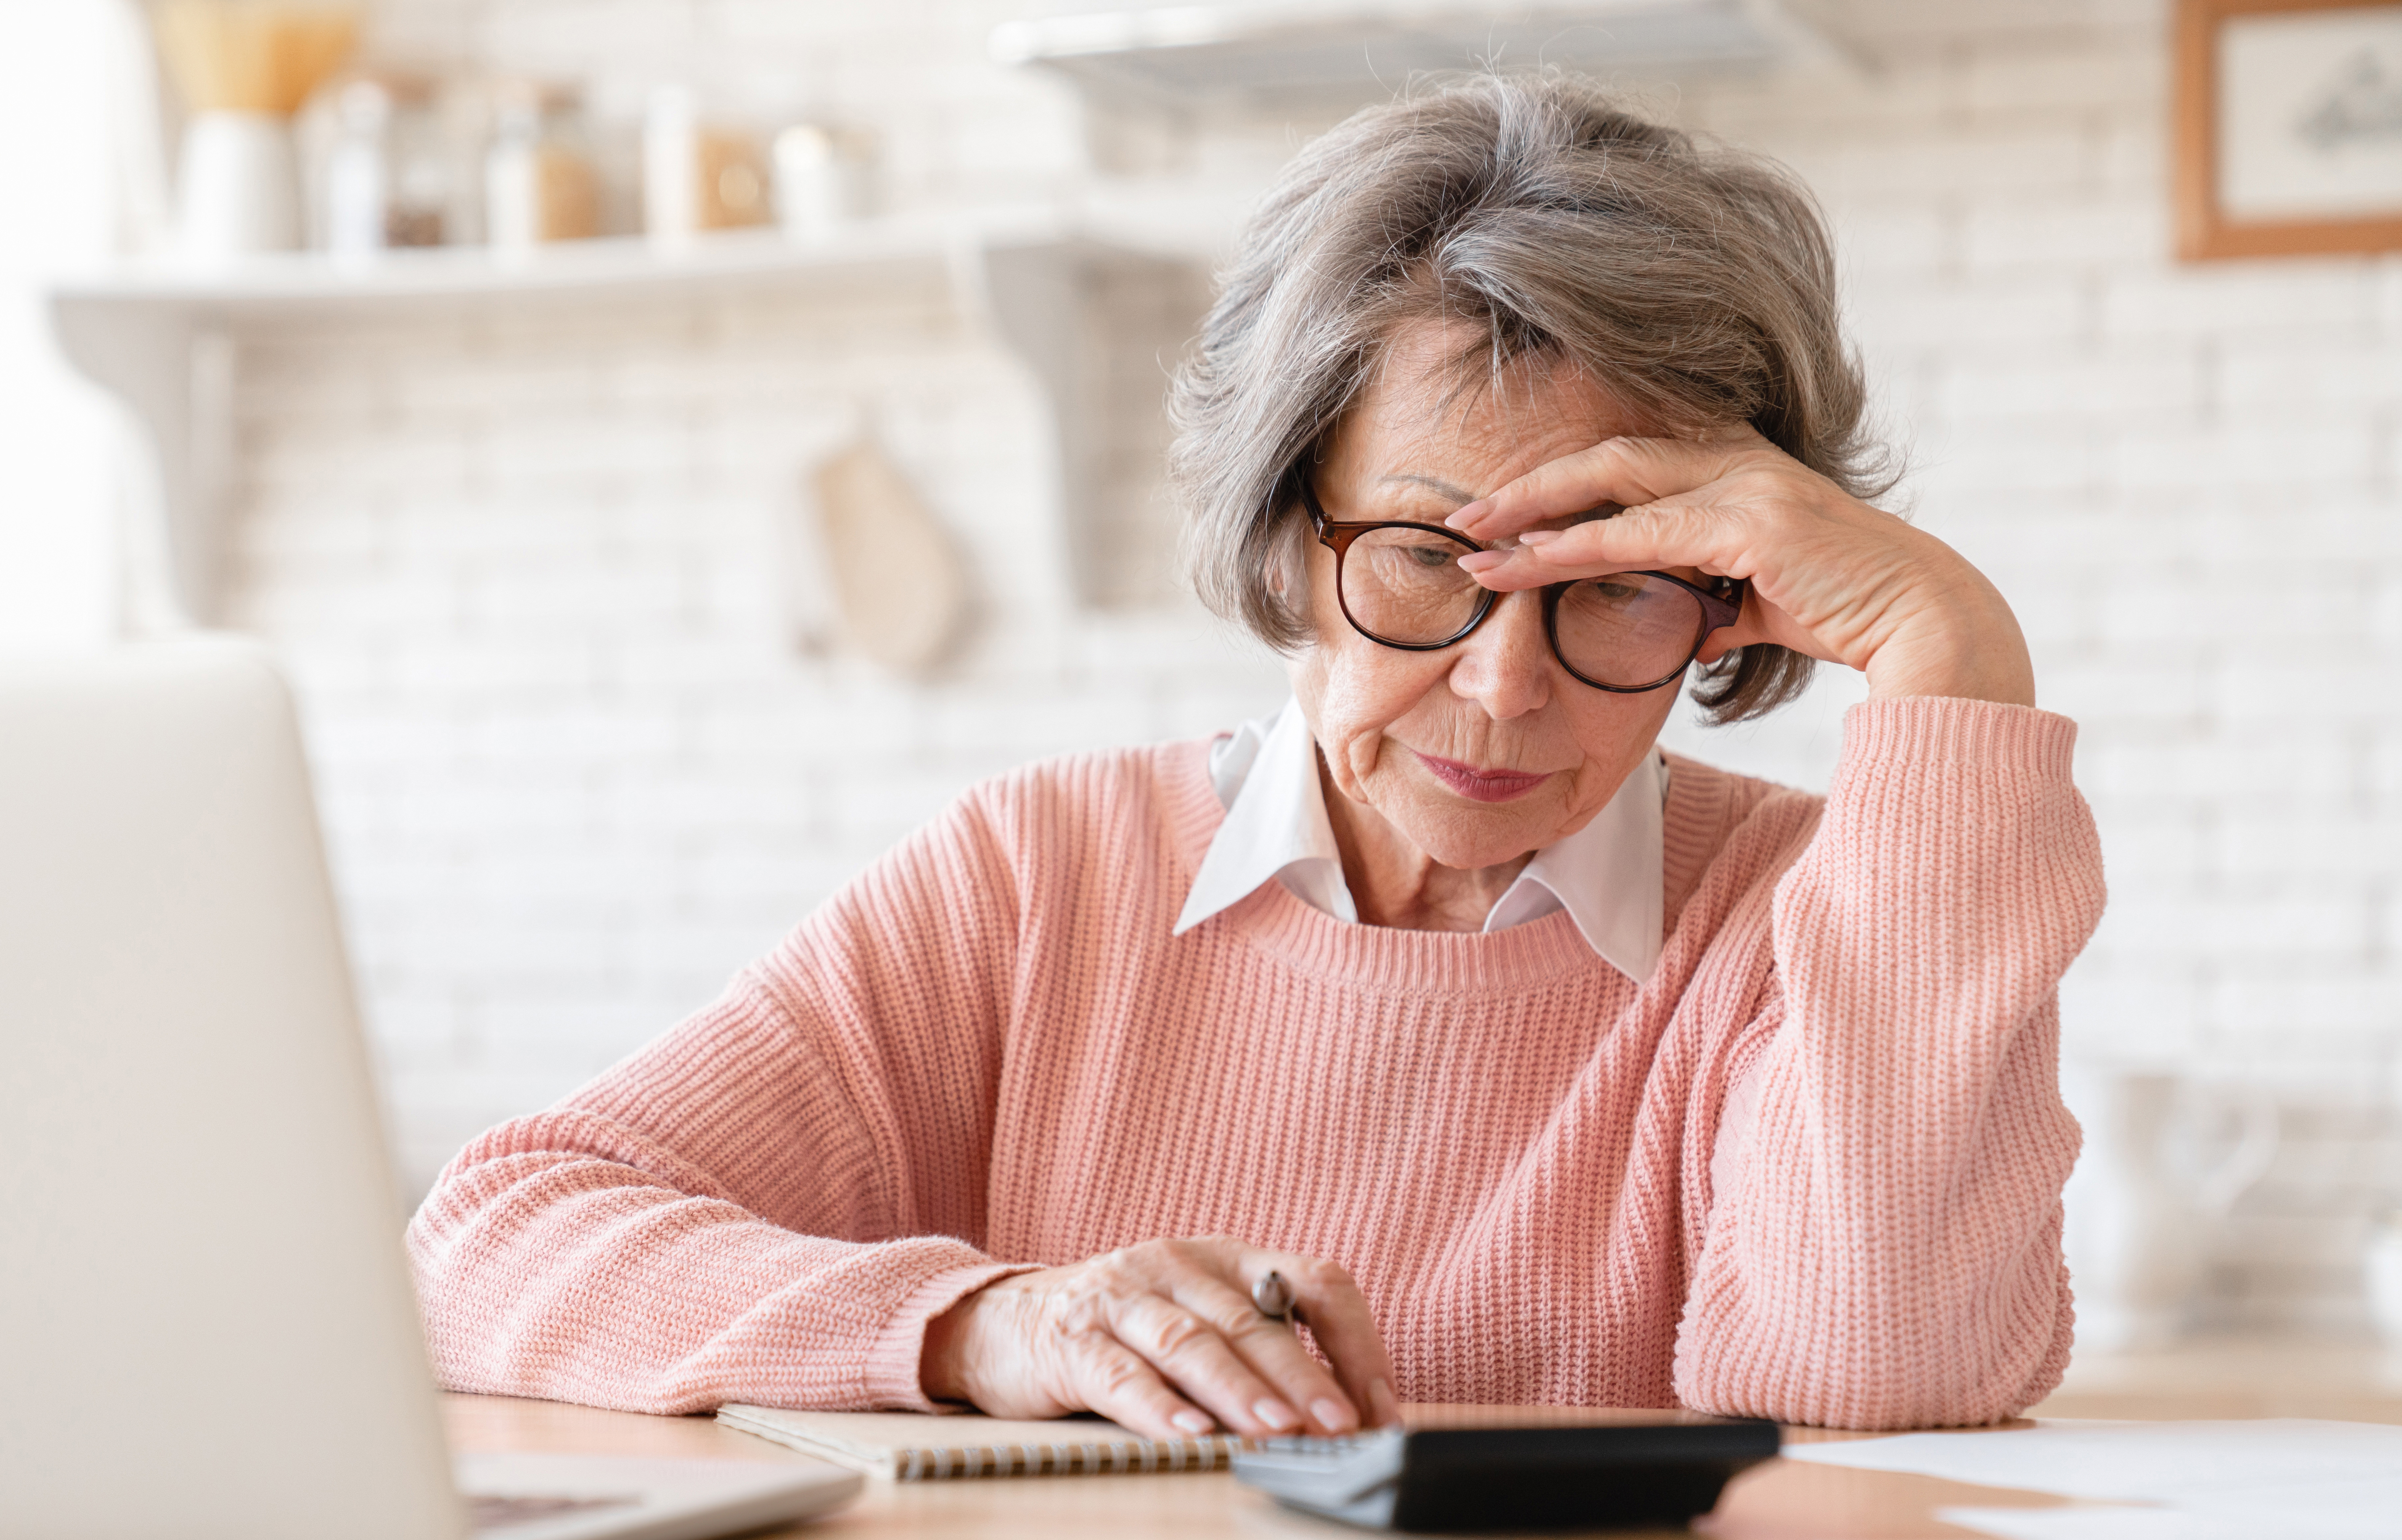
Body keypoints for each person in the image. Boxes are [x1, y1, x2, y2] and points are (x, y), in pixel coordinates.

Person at [408, 75, 2104, 1437]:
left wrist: (1951, 661)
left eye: (1621, 585)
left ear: (1734, 598)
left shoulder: (1811, 911)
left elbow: (1876, 1368)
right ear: (1291, 538)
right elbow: (488, 1242)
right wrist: (989, 1321)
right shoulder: (1038, 874)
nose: (1508, 688)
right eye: (1429, 562)